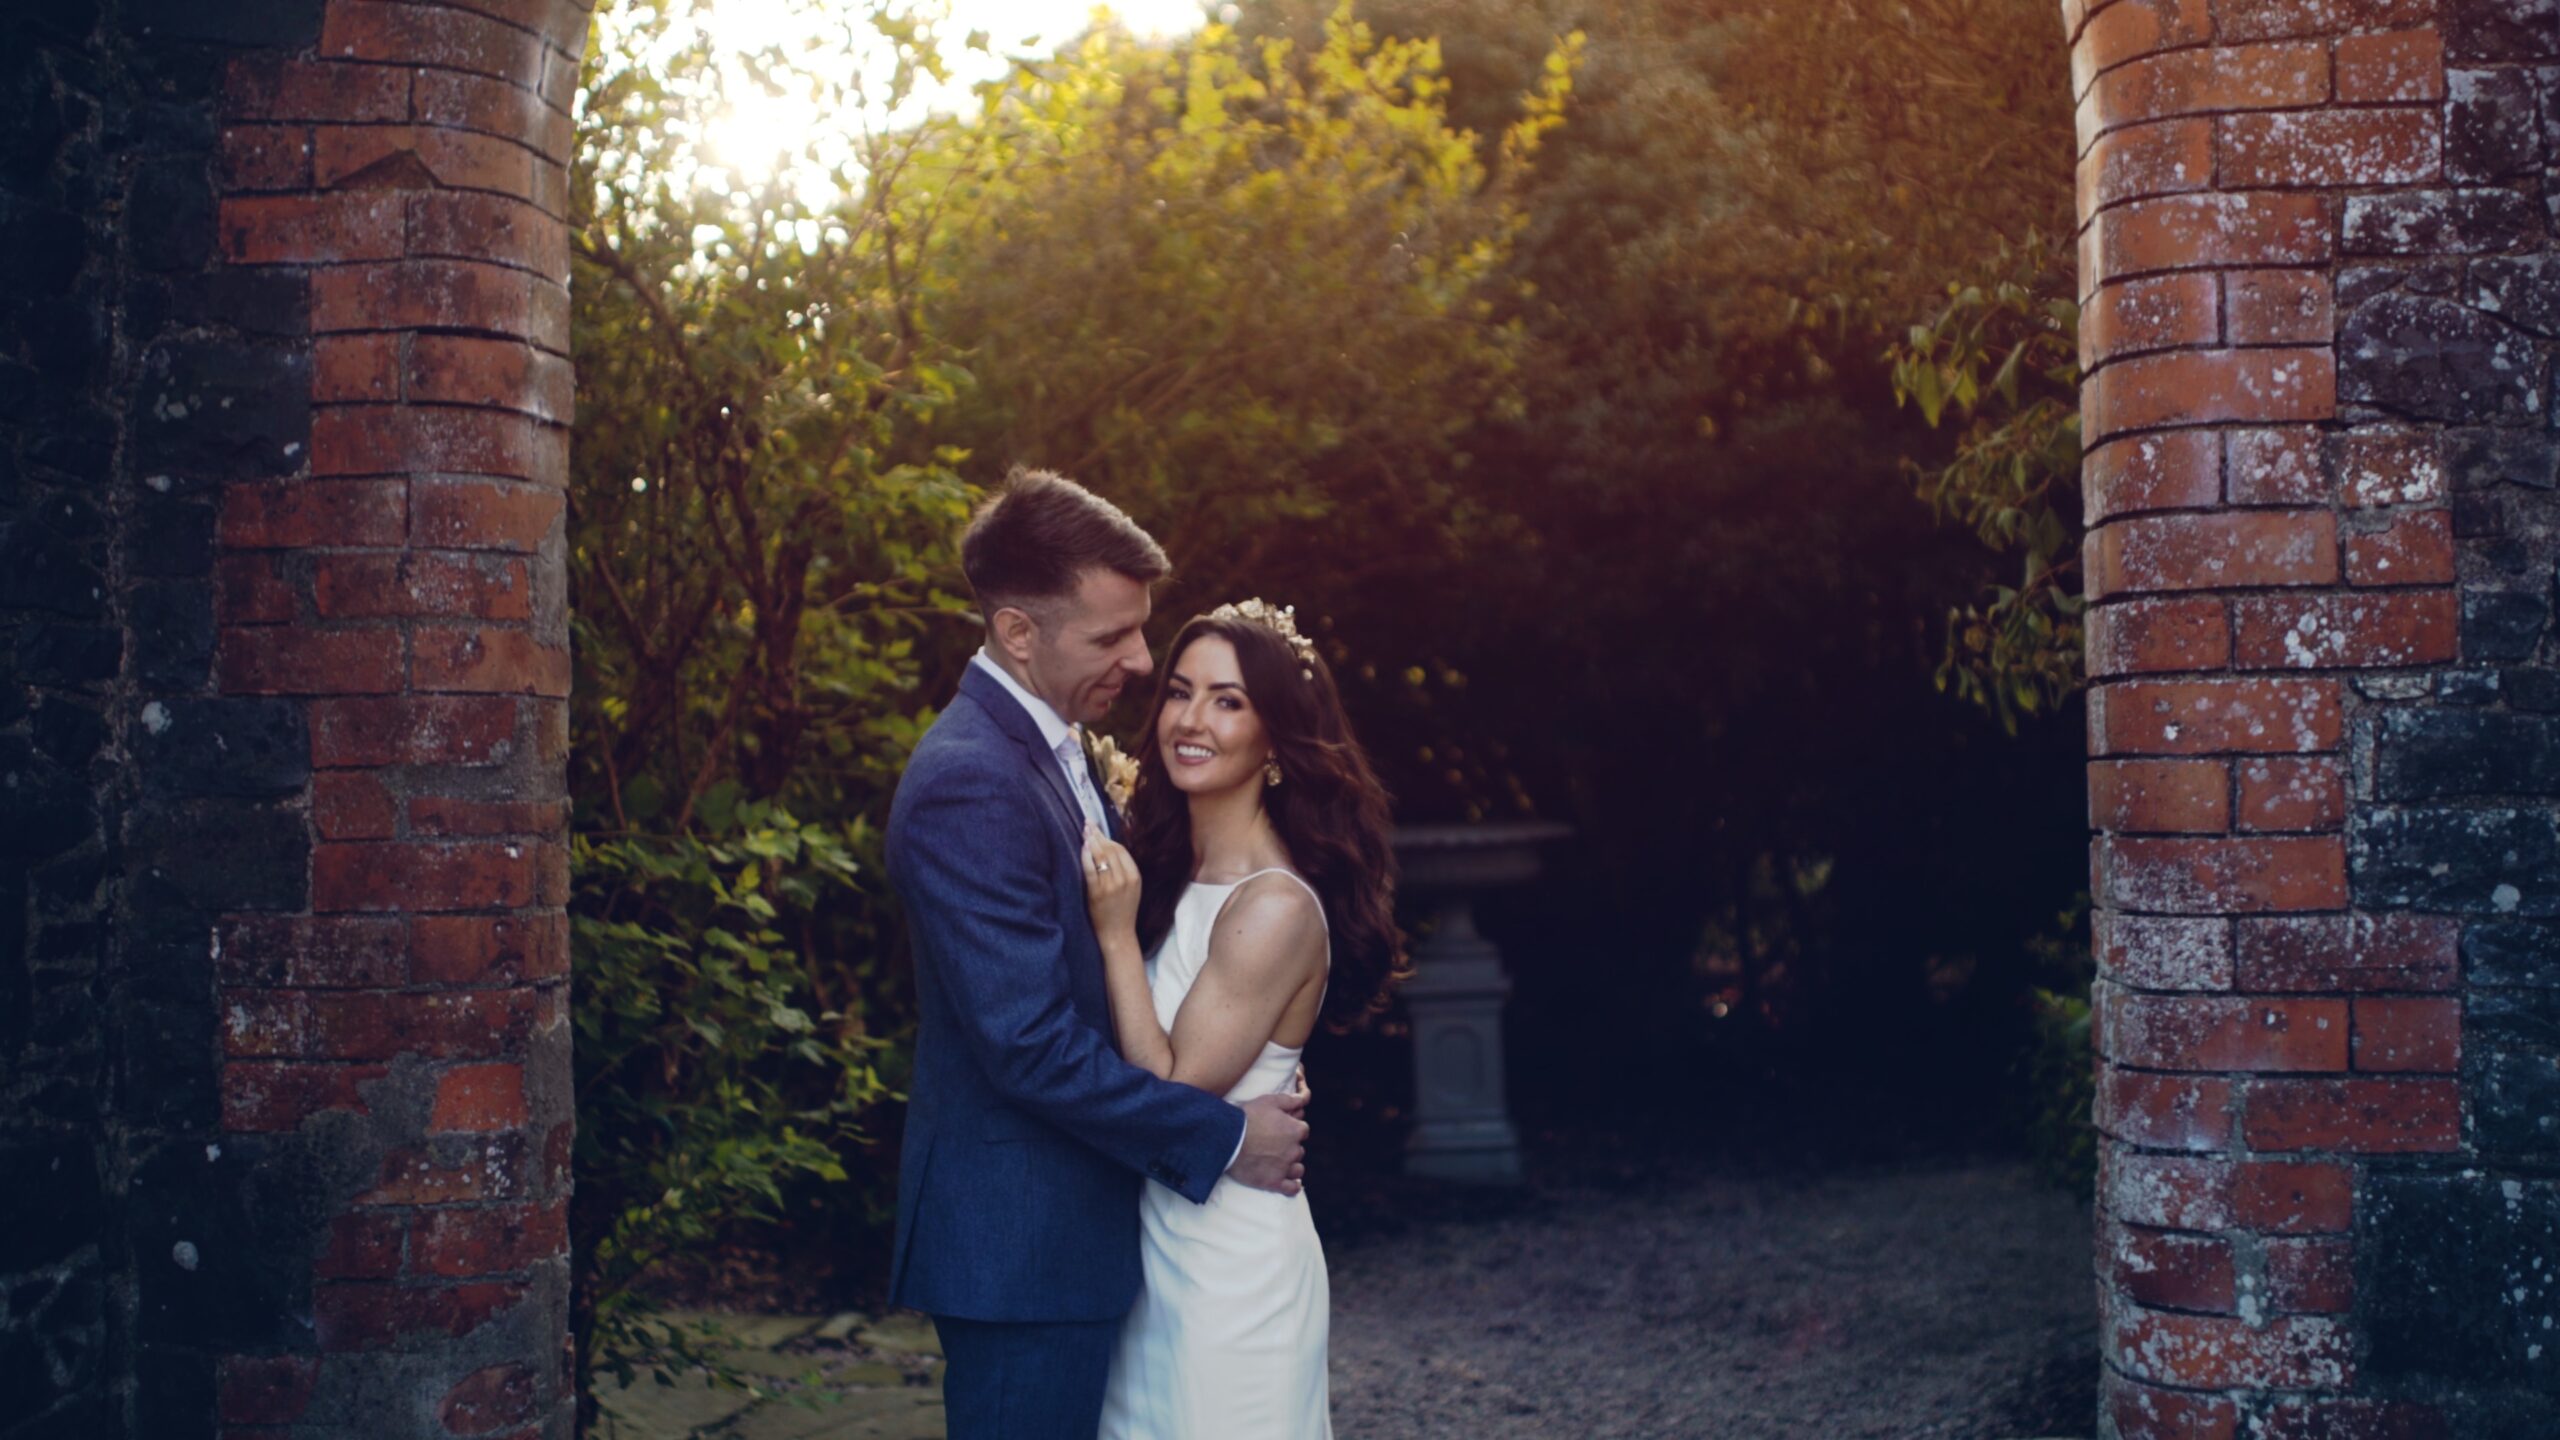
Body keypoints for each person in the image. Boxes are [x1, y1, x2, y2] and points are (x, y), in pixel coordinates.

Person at [883, 469, 1313, 1440]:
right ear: (1017, 633)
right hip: (1022, 1249)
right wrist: (1228, 1137)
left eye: (1140, 627)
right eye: (1111, 636)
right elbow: (1029, 1045)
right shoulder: (972, 784)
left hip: (1086, 1236)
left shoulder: (1057, 743)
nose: (1140, 658)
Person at [1079, 600, 1406, 1440]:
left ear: (1276, 740)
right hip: (1148, 1255)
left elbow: (1166, 1095)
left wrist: (1115, 933)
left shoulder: (1273, 908)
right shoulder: (1164, 863)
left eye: (1228, 701)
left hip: (1227, 1272)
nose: (1191, 720)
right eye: (1182, 692)